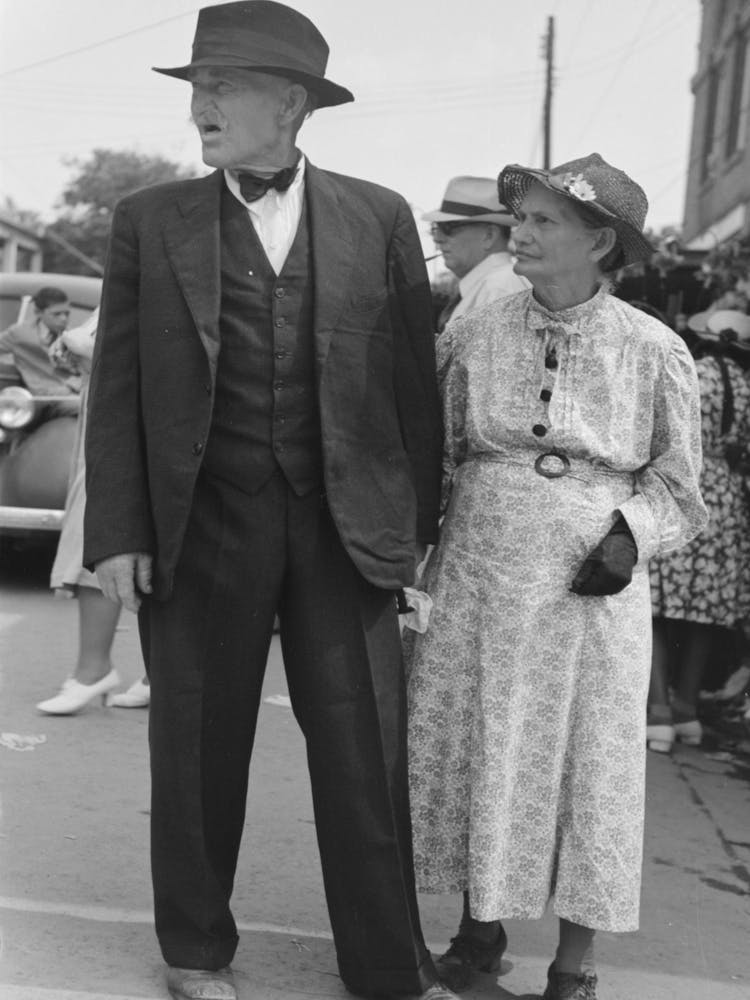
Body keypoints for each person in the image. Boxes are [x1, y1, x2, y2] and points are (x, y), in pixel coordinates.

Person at [82, 4, 453, 1000]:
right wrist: (116, 532)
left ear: (289, 104)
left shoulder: (379, 215)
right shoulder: (149, 218)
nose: (200, 106)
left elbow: (411, 384)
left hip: (346, 525)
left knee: (365, 749)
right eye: (197, 89)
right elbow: (116, 387)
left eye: (221, 87)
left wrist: (417, 531)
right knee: (196, 746)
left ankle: (387, 967)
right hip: (202, 521)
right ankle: (196, 954)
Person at [404, 153, 707, 1000]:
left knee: (588, 761)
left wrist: (628, 536)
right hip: (479, 571)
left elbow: (680, 489)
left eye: (543, 221)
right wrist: (412, 558)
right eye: (520, 218)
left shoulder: (655, 349)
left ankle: (574, 970)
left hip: (590, 590)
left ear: (600, 242)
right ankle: (478, 937)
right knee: (484, 740)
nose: (521, 234)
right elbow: (435, 454)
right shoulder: (474, 332)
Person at [36, 308, 150, 716]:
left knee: (102, 532)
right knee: (100, 531)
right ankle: (98, 667)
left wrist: (78, 344)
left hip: (138, 416)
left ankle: (99, 670)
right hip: (112, 414)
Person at [647, 309, 750, 752]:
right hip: (726, 500)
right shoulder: (747, 385)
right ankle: (687, 710)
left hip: (683, 488)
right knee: (705, 612)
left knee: (655, 604)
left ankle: (658, 712)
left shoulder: (688, 370)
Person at [423, 176, 528, 333]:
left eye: (449, 227)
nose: (438, 238)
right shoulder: (491, 287)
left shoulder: (498, 290)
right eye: (437, 228)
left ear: (489, 235)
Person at [0, 286, 81, 406]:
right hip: (40, 398)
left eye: (66, 314)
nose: (64, 319)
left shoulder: (73, 337)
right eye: (57, 314)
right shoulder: (20, 333)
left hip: (73, 394)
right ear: (38, 312)